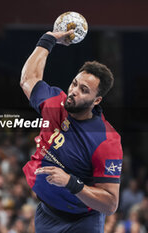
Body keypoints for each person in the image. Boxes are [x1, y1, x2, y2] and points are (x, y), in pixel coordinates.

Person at [20, 30, 123, 233]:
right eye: (75, 84)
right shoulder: (54, 103)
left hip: (82, 222)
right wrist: (48, 39)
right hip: (46, 214)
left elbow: (110, 203)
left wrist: (71, 183)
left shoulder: (106, 140)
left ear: (97, 101)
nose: (74, 91)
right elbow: (28, 79)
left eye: (84, 90)